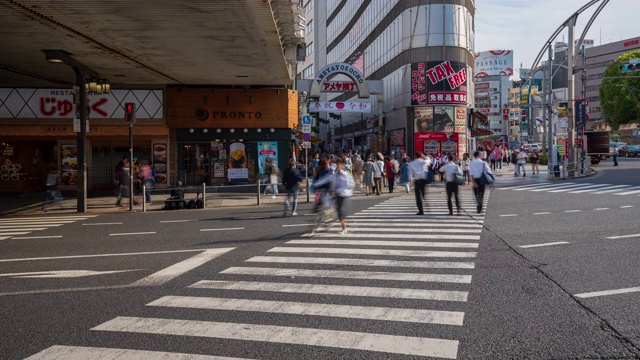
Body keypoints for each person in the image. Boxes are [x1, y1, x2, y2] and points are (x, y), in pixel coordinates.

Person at [314, 158, 354, 234]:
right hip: (335, 193)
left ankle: (344, 227)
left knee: (339, 211)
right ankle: (326, 219)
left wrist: (338, 190)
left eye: (338, 165)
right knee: (325, 204)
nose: (336, 167)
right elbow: (326, 179)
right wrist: (317, 184)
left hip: (343, 194)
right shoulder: (334, 174)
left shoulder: (345, 174)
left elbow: (347, 185)